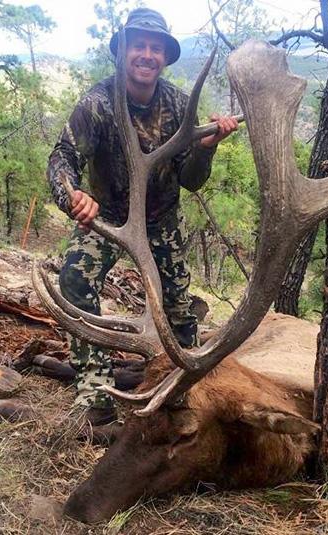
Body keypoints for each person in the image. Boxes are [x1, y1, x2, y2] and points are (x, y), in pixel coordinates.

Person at [47, 8, 238, 428]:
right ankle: (95, 397)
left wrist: (208, 146)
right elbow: (62, 157)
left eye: (155, 48)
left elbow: (191, 181)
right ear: (124, 51)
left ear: (165, 57)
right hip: (109, 219)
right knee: (74, 282)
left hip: (161, 220)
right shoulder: (97, 102)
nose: (147, 55)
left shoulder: (178, 106)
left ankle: (181, 392)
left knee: (180, 312)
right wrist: (73, 196)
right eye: (139, 46)